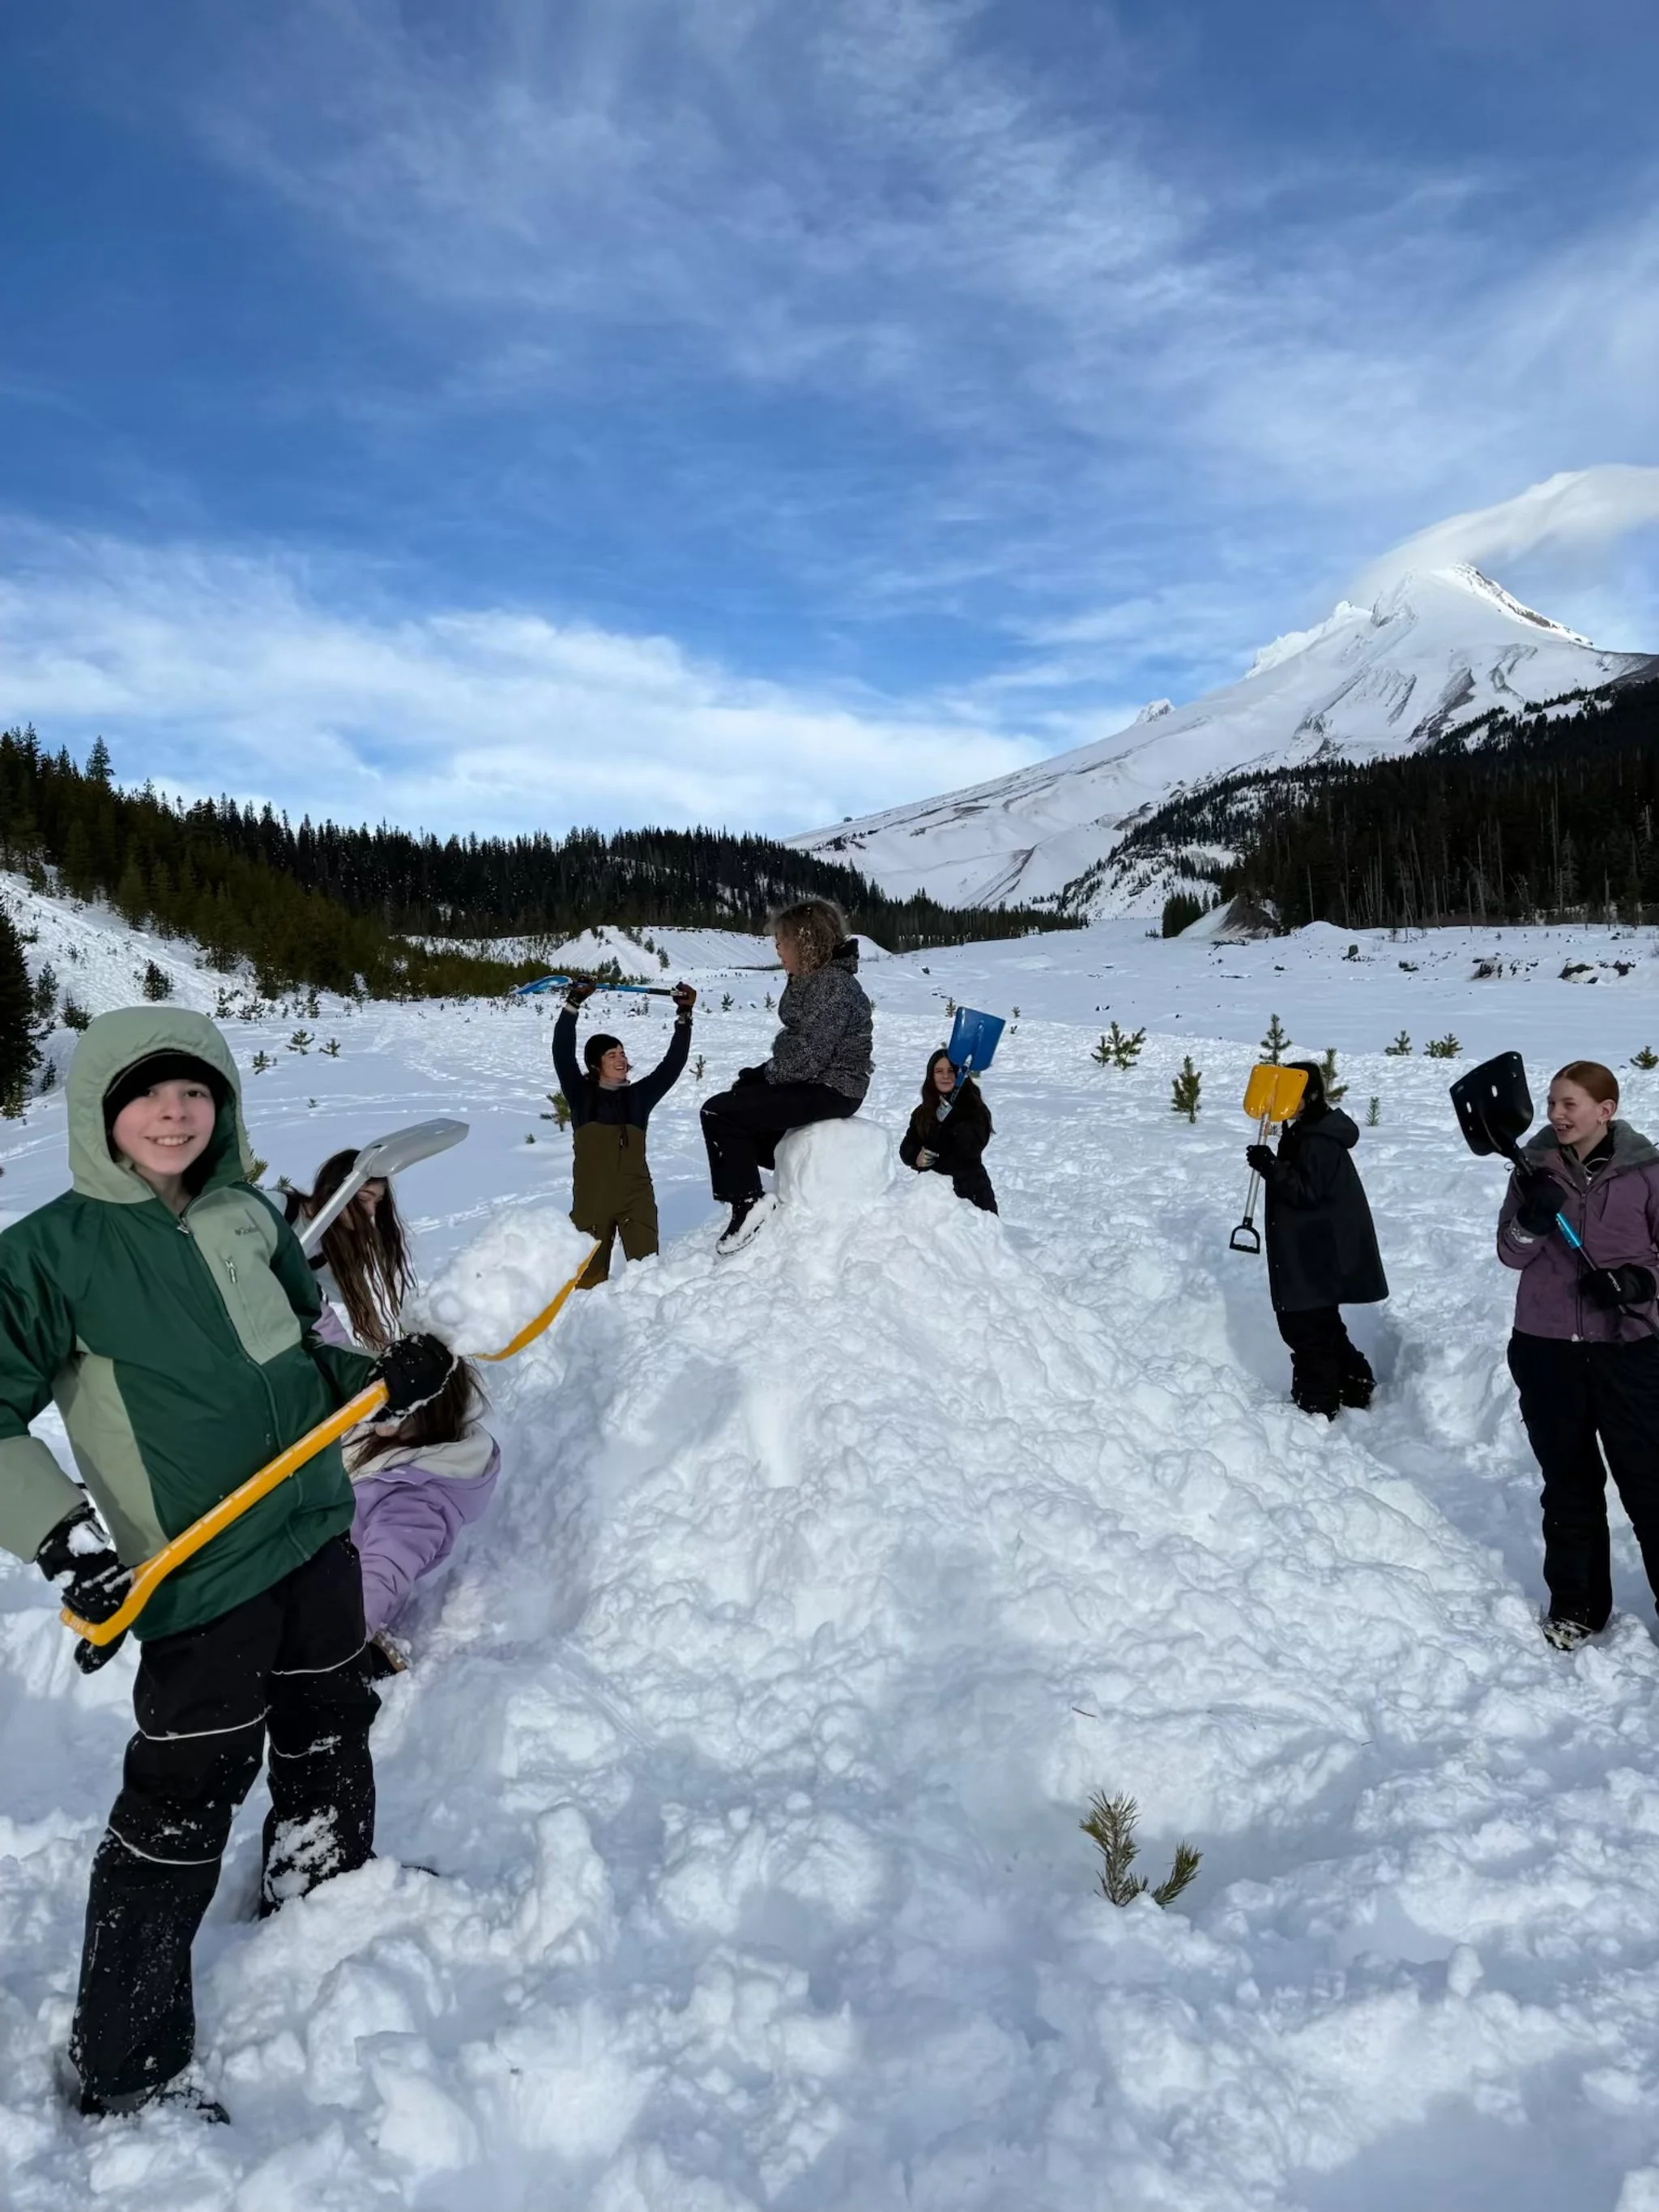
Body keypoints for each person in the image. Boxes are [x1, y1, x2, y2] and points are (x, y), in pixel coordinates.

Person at [0, 1008, 455, 2120]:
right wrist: (66, 1540)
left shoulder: (248, 1210)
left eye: (194, 1091)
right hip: (197, 1570)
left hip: (310, 1526)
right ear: (99, 1111)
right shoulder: (49, 1250)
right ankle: (126, 2057)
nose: (173, 1112)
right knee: (186, 1789)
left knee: (330, 1719)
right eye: (147, 1094)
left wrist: (376, 1378)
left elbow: (294, 1350)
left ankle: (321, 1887)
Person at [1497, 1059, 1659, 1652]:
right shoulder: (1531, 1169)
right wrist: (1530, 1221)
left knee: (1649, 1482)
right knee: (1569, 1483)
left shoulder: (1647, 1171)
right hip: (1545, 1347)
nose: (1557, 1114)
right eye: (1552, 1102)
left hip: (1629, 1347)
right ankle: (1577, 1606)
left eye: (1570, 1104)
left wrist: (1639, 1282)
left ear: (1605, 1111)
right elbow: (1509, 1253)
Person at [700, 897, 874, 1255]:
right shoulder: (815, 980)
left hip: (833, 1088)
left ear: (805, 943)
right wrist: (761, 1076)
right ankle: (792, 1176)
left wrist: (767, 1075)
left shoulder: (832, 987)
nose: (778, 949)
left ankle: (748, 1204)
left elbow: (808, 1057)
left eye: (783, 941)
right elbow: (803, 1051)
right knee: (741, 1113)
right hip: (817, 1081)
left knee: (719, 1112)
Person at [1246, 1057, 1386, 1419]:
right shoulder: (1305, 1132)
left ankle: (1318, 1405)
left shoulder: (1318, 1139)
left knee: (1305, 1329)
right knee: (1320, 1326)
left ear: (1308, 1095)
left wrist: (1270, 1167)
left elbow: (1307, 1193)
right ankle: (1354, 1382)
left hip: (1314, 1254)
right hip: (1311, 1250)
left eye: (1289, 1093)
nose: (1282, 1102)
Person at [348, 1357, 500, 1673]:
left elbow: (383, 1572)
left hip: (331, 1590)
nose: (385, 1419)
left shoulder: (419, 1504)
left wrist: (332, 1641)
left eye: (399, 1412)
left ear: (431, 1417)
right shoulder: (384, 1424)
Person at [553, 978, 697, 1286]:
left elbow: (673, 1064)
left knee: (646, 1278)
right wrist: (573, 1004)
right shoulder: (581, 1095)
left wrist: (684, 1017)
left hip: (637, 1198)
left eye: (622, 1053)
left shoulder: (639, 1097)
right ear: (595, 1065)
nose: (621, 1059)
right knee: (585, 1282)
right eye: (611, 1055)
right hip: (592, 1201)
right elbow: (562, 1052)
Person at [283, 1149, 414, 1349]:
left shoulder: (330, 1249)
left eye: (377, 1202)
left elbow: (361, 1307)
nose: (371, 1211)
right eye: (363, 1199)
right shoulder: (279, 1208)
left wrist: (384, 1355)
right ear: (333, 1191)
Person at [900, 1048, 997, 1213]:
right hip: (933, 1193)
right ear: (931, 1076)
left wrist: (951, 1117)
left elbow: (970, 1147)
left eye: (951, 1071)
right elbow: (907, 1147)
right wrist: (917, 1157)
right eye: (939, 1071)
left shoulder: (975, 1110)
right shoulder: (923, 1112)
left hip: (971, 1192)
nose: (945, 1076)